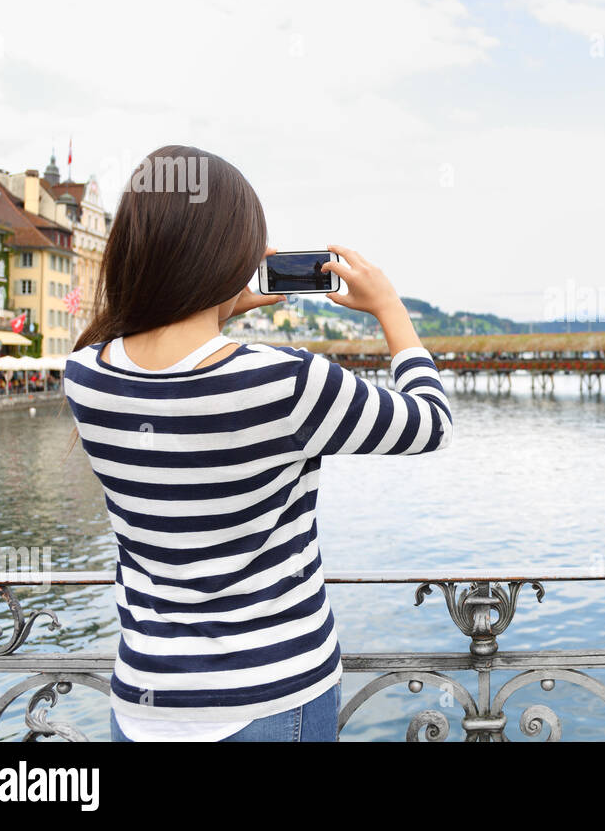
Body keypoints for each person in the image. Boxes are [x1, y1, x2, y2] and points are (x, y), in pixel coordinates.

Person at [63, 145, 451, 742]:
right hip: (271, 698)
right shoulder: (286, 381)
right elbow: (429, 424)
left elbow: (177, 377)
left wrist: (216, 306)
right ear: (231, 256)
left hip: (145, 702)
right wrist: (389, 308)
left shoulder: (86, 376)